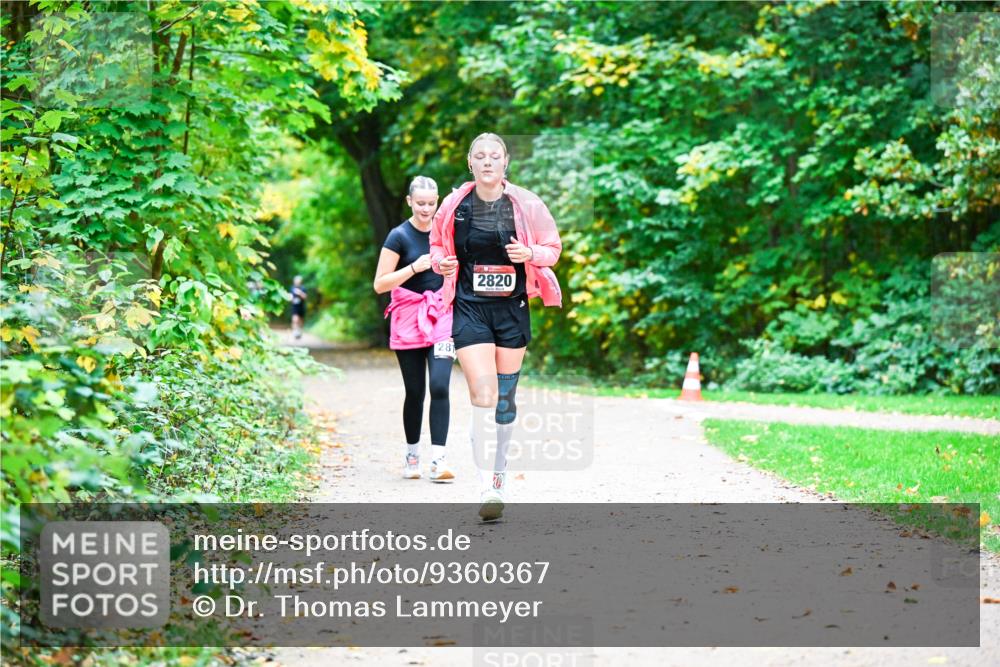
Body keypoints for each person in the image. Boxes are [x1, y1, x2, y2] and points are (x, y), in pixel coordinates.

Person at [430, 133, 562, 520]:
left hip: (512, 308)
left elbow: (553, 248)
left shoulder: (526, 203)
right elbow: (438, 247)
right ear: (470, 163)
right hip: (470, 308)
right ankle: (485, 484)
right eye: (480, 156)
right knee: (483, 393)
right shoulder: (455, 204)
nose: (487, 162)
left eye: (495, 156)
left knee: (504, 399)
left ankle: (500, 469)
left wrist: (530, 253)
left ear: (506, 163)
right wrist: (443, 263)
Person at [374, 175, 455, 483]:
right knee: (416, 391)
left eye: (431, 203)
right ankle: (412, 455)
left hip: (442, 316)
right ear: (409, 201)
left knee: (439, 385)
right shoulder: (398, 236)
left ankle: (439, 459)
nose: (426, 209)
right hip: (408, 318)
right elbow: (380, 283)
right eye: (420, 203)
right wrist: (413, 268)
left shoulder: (446, 233)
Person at [289, 275, 307, 339]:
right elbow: (290, 297)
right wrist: (291, 298)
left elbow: (305, 297)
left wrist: (300, 293)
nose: (297, 282)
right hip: (295, 306)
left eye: (298, 281)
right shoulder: (292, 288)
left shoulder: (303, 288)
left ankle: (300, 331)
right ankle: (295, 332)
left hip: (301, 306)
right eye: (296, 281)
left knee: (301, 320)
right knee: (295, 319)